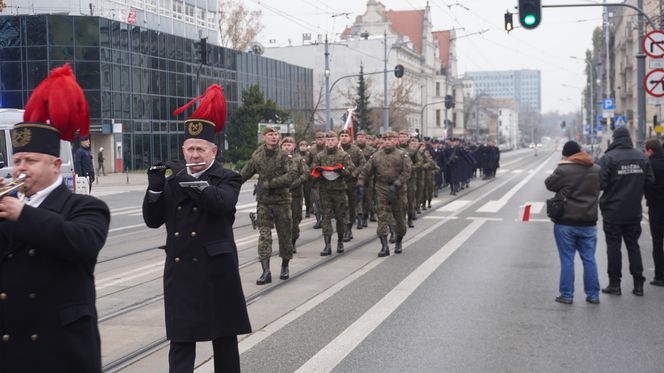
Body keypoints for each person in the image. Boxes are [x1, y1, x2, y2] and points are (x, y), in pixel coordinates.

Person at [0, 64, 110, 372]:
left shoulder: (85, 207)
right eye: (18, 160)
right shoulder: (7, 208)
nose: (21, 168)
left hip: (61, 350)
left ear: (55, 164)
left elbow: (81, 243)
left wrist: (22, 214)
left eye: (31, 160)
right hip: (13, 349)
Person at [142, 84, 251, 373]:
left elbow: (221, 204)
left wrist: (189, 182)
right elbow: (153, 221)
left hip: (216, 271)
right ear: (183, 149)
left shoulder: (228, 177)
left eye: (199, 148)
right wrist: (154, 190)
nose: (194, 154)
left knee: (224, 340)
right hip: (181, 272)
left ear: (213, 150)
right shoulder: (173, 179)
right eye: (189, 149)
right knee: (180, 341)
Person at [598, 127, 654, 296]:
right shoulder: (642, 157)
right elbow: (650, 182)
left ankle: (615, 284)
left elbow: (601, 184)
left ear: (615, 139)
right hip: (633, 211)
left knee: (614, 248)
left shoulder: (608, 158)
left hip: (613, 211)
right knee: (633, 246)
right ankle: (638, 285)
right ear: (629, 138)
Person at [545, 141, 602, 304]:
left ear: (567, 155)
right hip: (588, 222)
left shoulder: (564, 169)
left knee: (567, 259)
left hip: (566, 222)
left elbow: (549, 184)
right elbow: (602, 185)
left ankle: (567, 295)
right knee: (589, 258)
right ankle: (593, 295)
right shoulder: (596, 169)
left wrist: (562, 165)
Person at [240, 127, 296, 284]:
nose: (274, 137)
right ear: (264, 137)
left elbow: (291, 175)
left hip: (282, 202)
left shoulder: (284, 155)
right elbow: (245, 173)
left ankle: (285, 265)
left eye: (276, 134)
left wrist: (269, 184)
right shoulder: (257, 156)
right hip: (264, 202)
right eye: (270, 134)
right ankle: (266, 271)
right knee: (264, 236)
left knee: (285, 235)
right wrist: (229, 185)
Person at [359, 131, 412, 256]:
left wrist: (397, 185)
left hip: (398, 191)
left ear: (395, 141)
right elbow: (366, 171)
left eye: (390, 139)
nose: (387, 142)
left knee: (400, 220)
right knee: (382, 218)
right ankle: (384, 246)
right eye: (385, 139)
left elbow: (407, 172)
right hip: (381, 189)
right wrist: (360, 184)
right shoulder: (376, 156)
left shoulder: (402, 155)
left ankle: (398, 241)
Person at [312, 131, 353, 255]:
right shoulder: (320, 156)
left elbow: (350, 170)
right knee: (326, 218)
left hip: (339, 190)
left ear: (337, 141)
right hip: (324, 191)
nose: (330, 142)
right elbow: (313, 169)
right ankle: (327, 245)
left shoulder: (344, 155)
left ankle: (340, 241)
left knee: (340, 218)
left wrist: (341, 171)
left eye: (332, 140)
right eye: (328, 140)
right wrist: (317, 172)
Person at [282, 137, 309, 253]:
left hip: (295, 195)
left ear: (294, 146)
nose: (287, 147)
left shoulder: (299, 159)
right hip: (281, 196)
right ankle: (285, 243)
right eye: (285, 145)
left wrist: (295, 183)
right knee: (283, 220)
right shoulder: (277, 159)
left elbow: (306, 174)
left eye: (289, 144)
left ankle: (292, 241)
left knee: (295, 220)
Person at [643, 138, 664, 287]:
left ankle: (659, 276)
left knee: (657, 242)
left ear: (650, 150)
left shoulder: (649, 164)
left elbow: (646, 184)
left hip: (656, 207)